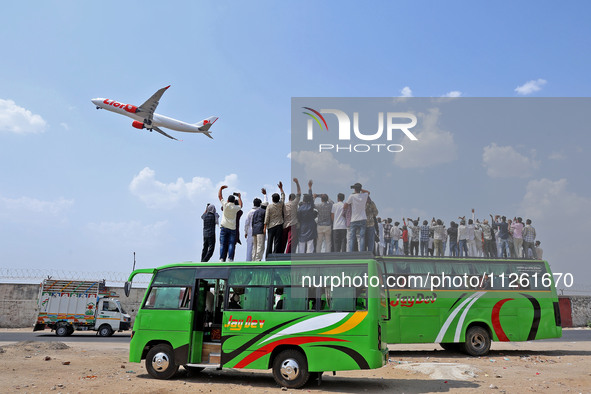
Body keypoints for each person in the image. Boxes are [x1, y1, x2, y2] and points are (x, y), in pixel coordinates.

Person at [218, 186, 242, 262]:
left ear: (228, 200)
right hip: (232, 228)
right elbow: (241, 205)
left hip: (224, 226)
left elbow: (220, 196)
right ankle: (230, 258)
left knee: (222, 244)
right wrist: (240, 197)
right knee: (231, 244)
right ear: (234, 201)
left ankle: (221, 258)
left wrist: (221, 189)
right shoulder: (236, 208)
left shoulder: (225, 205)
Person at [344, 183, 369, 252]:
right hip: (363, 218)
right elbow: (368, 192)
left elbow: (345, 206)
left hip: (354, 219)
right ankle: (361, 252)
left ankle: (351, 252)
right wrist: (360, 189)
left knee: (352, 237)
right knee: (362, 237)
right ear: (360, 189)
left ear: (355, 189)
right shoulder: (364, 195)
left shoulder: (352, 196)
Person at [264, 181, 285, 257]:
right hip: (279, 225)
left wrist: (265, 227)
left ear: (272, 199)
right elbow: (283, 196)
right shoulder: (281, 204)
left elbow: (267, 217)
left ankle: (267, 256)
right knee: (277, 242)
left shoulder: (269, 206)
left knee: (269, 242)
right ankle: (275, 256)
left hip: (271, 226)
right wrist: (281, 189)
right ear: (278, 199)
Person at [312, 181, 333, 253]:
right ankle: (328, 255)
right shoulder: (330, 205)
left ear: (321, 199)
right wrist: (322, 195)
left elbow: (312, 205)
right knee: (328, 242)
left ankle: (318, 254)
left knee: (319, 242)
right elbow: (332, 202)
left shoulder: (319, 205)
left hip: (320, 225)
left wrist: (315, 197)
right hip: (328, 225)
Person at [282, 178, 301, 253]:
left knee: (283, 241)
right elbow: (299, 193)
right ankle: (287, 254)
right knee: (290, 241)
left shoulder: (284, 205)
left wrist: (281, 189)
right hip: (293, 224)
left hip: (285, 224)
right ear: (293, 198)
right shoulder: (295, 203)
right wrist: (297, 183)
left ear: (289, 198)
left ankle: (280, 255)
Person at [297, 185, 317, 253]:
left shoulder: (300, 208)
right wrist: (310, 189)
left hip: (303, 226)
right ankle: (309, 257)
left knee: (301, 242)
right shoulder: (310, 206)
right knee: (310, 243)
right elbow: (311, 199)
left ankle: (300, 257)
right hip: (310, 226)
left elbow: (298, 218)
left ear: (303, 200)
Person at [251, 191, 268, 261]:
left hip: (254, 230)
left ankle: (253, 259)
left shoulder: (255, 211)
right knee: (260, 246)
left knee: (254, 246)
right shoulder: (265, 212)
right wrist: (264, 229)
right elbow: (265, 221)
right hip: (260, 230)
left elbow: (252, 222)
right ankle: (258, 259)